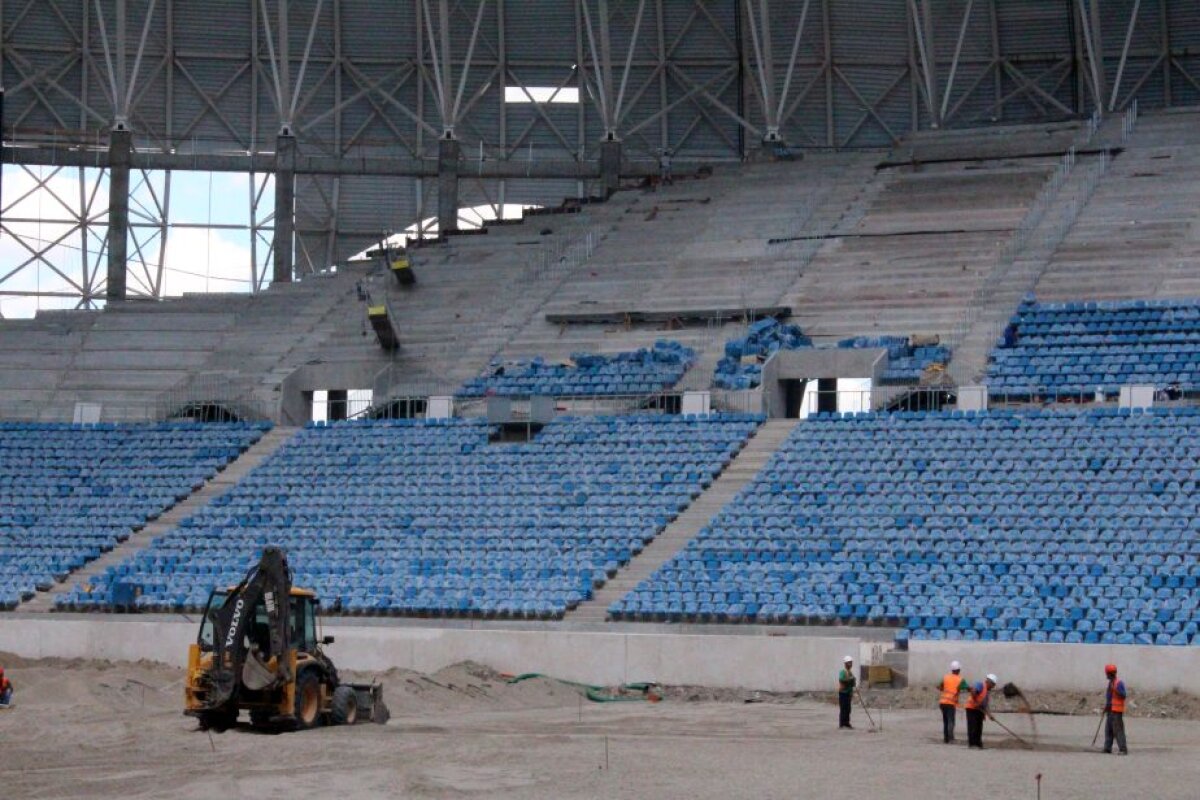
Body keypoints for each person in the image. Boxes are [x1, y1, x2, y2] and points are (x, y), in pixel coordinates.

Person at [938, 660, 968, 743]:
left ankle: (946, 738)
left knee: (946, 721)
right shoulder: (960, 679)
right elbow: (967, 688)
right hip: (950, 703)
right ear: (958, 670)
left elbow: (939, 687)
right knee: (951, 721)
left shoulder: (945, 677)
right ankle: (951, 739)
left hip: (942, 702)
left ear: (952, 670)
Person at [965, 673, 997, 749]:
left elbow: (985, 705)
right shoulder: (980, 685)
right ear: (989, 682)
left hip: (979, 710)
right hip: (972, 708)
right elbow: (973, 692)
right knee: (973, 727)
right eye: (993, 685)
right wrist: (976, 701)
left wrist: (990, 715)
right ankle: (972, 744)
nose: (993, 687)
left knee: (979, 727)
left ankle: (978, 744)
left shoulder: (987, 692)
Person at [1103, 664, 1129, 755]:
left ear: (1110, 674)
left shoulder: (1118, 683)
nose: (1106, 675)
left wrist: (1115, 690)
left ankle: (1123, 749)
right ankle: (1107, 748)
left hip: (1117, 711)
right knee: (1108, 729)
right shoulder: (1110, 683)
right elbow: (1109, 697)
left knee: (1118, 731)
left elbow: (1123, 695)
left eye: (1107, 673)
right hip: (1110, 710)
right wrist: (1106, 706)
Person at [837, 655, 856, 729]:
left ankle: (847, 723)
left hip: (848, 693)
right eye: (849, 663)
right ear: (845, 664)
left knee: (848, 709)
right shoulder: (843, 672)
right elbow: (841, 679)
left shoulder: (850, 672)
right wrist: (850, 680)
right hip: (843, 693)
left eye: (851, 663)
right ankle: (842, 724)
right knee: (843, 709)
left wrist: (853, 682)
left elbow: (852, 683)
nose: (850, 664)